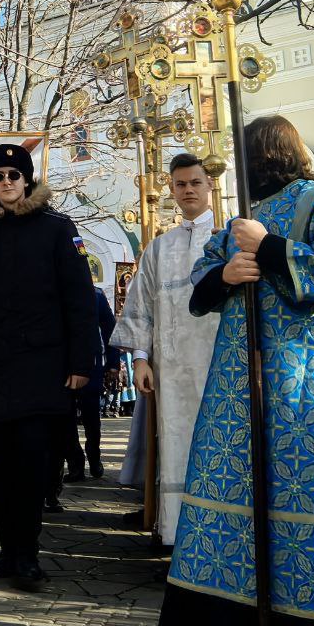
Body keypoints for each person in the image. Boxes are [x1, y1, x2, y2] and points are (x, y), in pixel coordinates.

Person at [159, 115, 314, 626]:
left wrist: (270, 248)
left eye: (248, 155)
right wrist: (225, 275)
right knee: (236, 486)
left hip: (306, 379)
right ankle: (233, 615)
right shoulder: (244, 218)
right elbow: (202, 279)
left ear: (265, 155)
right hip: (239, 387)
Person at [0, 143, 98, 591]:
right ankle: (7, 550)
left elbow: (79, 300)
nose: (6, 183)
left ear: (27, 180)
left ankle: (28, 554)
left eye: (14, 175)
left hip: (44, 367)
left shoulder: (57, 229)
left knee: (35, 466)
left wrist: (81, 362)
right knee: (3, 469)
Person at [110, 153, 219, 544]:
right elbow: (141, 308)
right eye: (180, 184)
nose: (188, 190)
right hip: (171, 371)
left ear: (210, 186)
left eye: (195, 183)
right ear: (171, 189)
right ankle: (178, 538)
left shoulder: (227, 239)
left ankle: (220, 537)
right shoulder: (158, 248)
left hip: (219, 366)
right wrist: (141, 360)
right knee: (174, 447)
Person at [63, 286, 117, 482]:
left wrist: (113, 364)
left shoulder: (96, 295)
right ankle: (75, 463)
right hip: (63, 364)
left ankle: (94, 456)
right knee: (65, 417)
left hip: (91, 365)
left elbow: (109, 327)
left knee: (91, 417)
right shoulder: (57, 290)